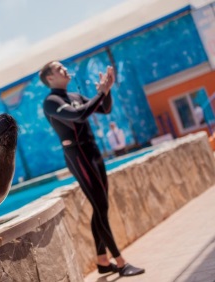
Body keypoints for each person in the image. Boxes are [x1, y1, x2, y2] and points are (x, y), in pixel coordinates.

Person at [39, 61, 144, 277]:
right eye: (59, 69)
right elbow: (79, 115)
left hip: (94, 152)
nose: (65, 70)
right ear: (50, 78)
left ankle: (103, 261)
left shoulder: (75, 97)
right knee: (100, 205)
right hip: (78, 156)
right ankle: (121, 263)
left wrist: (107, 90)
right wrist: (101, 93)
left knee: (101, 207)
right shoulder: (51, 101)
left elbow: (104, 108)